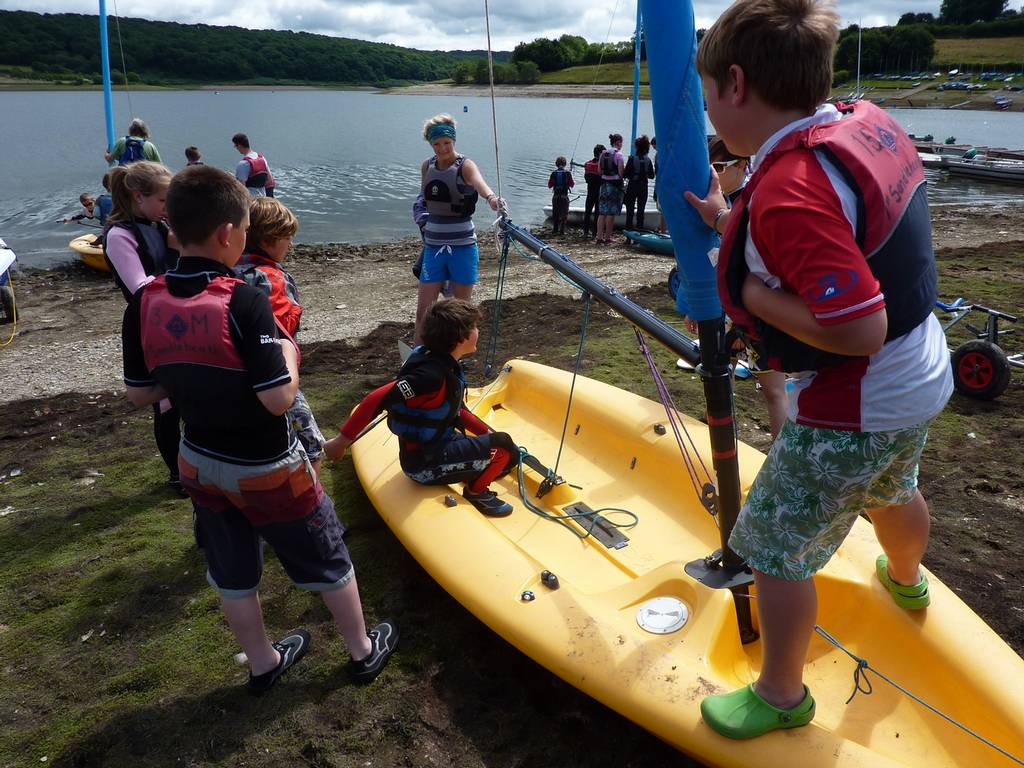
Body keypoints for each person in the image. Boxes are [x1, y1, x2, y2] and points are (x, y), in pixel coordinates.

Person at [684, 0, 952, 740]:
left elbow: (858, 328)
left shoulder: (790, 191)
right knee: (897, 486)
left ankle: (779, 694)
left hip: (857, 398)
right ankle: (906, 581)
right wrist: (730, 218)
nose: (708, 115)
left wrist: (748, 289)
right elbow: (840, 226)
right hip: (923, 372)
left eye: (708, 97)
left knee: (771, 549)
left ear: (736, 84)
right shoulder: (857, 124)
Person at [121, 165, 398, 693]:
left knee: (232, 568)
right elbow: (277, 399)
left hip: (197, 459)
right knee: (327, 552)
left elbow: (142, 392)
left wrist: (193, 377)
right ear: (228, 233)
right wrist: (289, 353)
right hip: (267, 466)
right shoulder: (243, 298)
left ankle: (262, 661)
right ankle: (363, 650)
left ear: (175, 228)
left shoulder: (146, 300)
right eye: (245, 230)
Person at [325, 298, 518, 518]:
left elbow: (459, 412)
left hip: (434, 448)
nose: (478, 331)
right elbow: (375, 399)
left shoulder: (441, 362)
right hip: (424, 467)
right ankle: (477, 492)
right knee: (502, 449)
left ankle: (484, 464)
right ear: (458, 338)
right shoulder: (429, 377)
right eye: (473, 327)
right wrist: (341, 441)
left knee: (508, 453)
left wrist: (487, 434)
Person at [103, 161, 184, 494]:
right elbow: (139, 286)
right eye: (165, 200)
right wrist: (187, 282)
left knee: (189, 394)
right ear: (139, 197)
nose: (169, 207)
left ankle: (199, 463)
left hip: (180, 317)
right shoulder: (121, 235)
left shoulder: (159, 225)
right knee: (166, 403)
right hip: (150, 324)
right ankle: (178, 474)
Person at [236, 197, 326, 474]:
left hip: (235, 374)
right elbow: (282, 329)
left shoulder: (229, 270)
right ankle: (311, 499)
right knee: (313, 445)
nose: (291, 244)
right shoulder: (271, 278)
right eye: (287, 237)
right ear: (268, 239)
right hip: (273, 373)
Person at [414, 114, 500, 344]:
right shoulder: (427, 166)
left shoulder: (465, 165)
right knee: (424, 311)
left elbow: (480, 184)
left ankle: (457, 358)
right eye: (437, 144)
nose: (442, 148)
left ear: (453, 141)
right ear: (431, 143)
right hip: (433, 248)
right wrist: (421, 220)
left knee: (462, 312)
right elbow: (422, 199)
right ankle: (416, 358)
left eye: (446, 143)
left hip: (462, 247)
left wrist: (492, 199)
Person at [595, 133, 625, 245]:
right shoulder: (619, 155)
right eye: (621, 142)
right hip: (615, 185)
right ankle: (607, 237)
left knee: (602, 212)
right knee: (611, 213)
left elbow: (599, 171)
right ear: (618, 143)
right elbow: (621, 173)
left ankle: (599, 237)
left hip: (603, 184)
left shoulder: (603, 154)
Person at [623, 135, 655, 230]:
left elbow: (625, 175)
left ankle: (629, 235)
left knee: (630, 210)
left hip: (632, 185)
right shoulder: (648, 160)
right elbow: (652, 176)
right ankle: (639, 233)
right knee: (641, 211)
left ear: (637, 147)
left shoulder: (632, 159)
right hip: (643, 187)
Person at [232, 133, 275, 197]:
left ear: (239, 145)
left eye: (236, 146)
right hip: (262, 199)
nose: (236, 148)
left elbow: (241, 190)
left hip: (250, 201)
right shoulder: (262, 158)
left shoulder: (243, 164)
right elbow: (270, 181)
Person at [582, 144, 604, 240]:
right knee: (597, 214)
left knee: (588, 212)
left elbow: (586, 178)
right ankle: (594, 233)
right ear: (600, 153)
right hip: (599, 192)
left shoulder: (587, 164)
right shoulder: (602, 165)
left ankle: (585, 232)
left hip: (590, 191)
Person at [548, 156, 574, 235]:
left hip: (555, 196)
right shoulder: (567, 173)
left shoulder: (553, 173)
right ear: (565, 164)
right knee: (564, 213)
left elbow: (549, 185)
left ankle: (555, 229)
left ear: (556, 164)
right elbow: (572, 184)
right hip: (564, 196)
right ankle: (562, 230)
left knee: (555, 213)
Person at [652, 137, 668, 234]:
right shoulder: (662, 154)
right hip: (661, 184)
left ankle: (663, 230)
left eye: (655, 147)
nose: (655, 149)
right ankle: (663, 229)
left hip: (661, 185)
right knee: (663, 209)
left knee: (663, 210)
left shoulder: (659, 155)